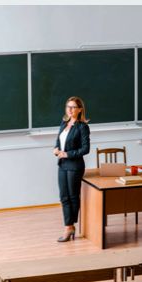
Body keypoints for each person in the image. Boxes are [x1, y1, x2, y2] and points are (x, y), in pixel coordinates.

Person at [53, 96, 90, 242]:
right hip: (62, 164)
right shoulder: (64, 122)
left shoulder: (82, 126)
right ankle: (70, 225)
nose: (70, 109)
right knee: (64, 197)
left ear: (80, 109)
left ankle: (69, 226)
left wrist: (67, 154)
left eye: (73, 107)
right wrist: (56, 148)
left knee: (73, 196)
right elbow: (59, 140)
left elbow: (85, 149)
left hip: (74, 166)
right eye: (68, 106)